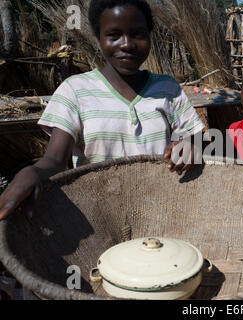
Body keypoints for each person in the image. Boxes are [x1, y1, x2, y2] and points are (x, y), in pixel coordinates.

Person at [0, 0, 204, 221]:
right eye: (114, 35)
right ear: (98, 38)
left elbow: (198, 138)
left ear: (150, 36)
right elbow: (56, 159)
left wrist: (190, 145)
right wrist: (34, 172)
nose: (127, 44)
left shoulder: (167, 88)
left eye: (138, 34)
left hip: (160, 211)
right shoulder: (75, 91)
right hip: (100, 219)